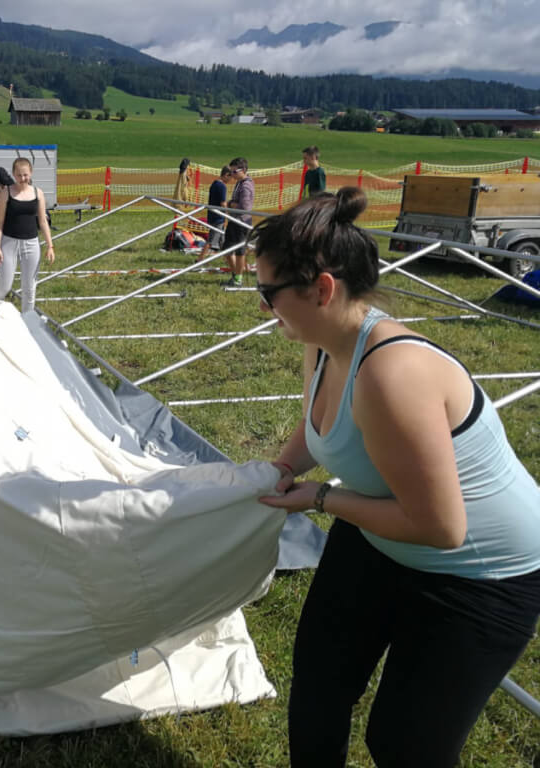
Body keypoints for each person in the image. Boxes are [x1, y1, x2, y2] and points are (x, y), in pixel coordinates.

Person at [253, 187, 540, 767]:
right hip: (388, 531)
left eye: (268, 293)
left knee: (406, 745)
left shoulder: (391, 372)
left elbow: (441, 527)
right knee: (317, 689)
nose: (263, 307)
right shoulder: (321, 341)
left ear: (322, 288)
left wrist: (324, 499)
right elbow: (318, 431)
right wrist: (284, 467)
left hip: (481, 573)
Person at [0, 157, 55, 314]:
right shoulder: (6, 194)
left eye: (25, 175)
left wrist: (50, 245)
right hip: (9, 242)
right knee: (4, 285)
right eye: (19, 175)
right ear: (13, 174)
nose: (22, 179)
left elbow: (42, 221)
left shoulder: (38, 193)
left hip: (31, 243)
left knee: (29, 287)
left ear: (31, 174)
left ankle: (27, 319)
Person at [221, 157, 255, 287]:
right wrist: (232, 204)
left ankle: (238, 279)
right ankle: (236, 274)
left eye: (235, 172)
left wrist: (230, 204)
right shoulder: (239, 182)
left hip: (242, 222)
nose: (232, 174)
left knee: (239, 250)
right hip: (233, 220)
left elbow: (245, 207)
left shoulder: (246, 185)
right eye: (231, 172)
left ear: (244, 170)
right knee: (227, 249)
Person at [202, 165, 232, 255]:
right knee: (211, 240)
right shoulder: (222, 186)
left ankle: (228, 260)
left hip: (212, 215)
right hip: (218, 217)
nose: (231, 180)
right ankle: (200, 259)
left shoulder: (214, 183)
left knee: (223, 240)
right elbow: (223, 203)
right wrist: (228, 214)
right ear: (226, 175)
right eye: (230, 177)